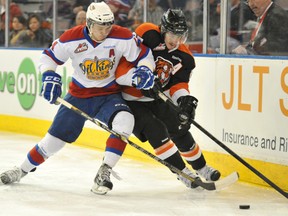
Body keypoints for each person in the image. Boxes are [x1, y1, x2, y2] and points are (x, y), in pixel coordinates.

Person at [0, 2, 156, 196]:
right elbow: (48, 57)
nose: (105, 31)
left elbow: (145, 54)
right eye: (100, 27)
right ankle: (22, 169)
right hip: (78, 96)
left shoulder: (121, 35)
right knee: (52, 143)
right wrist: (48, 75)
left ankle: (104, 172)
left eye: (108, 26)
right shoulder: (71, 38)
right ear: (89, 24)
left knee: (126, 120)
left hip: (108, 95)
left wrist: (145, 69)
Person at [116, 9, 221, 189]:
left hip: (156, 98)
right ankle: (182, 172)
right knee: (155, 130)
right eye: (172, 34)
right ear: (163, 30)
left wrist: (184, 100)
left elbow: (177, 85)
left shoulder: (185, 57)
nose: (175, 40)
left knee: (180, 126)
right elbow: (123, 64)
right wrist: (140, 80)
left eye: (180, 35)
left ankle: (202, 168)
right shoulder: (147, 34)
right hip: (130, 99)